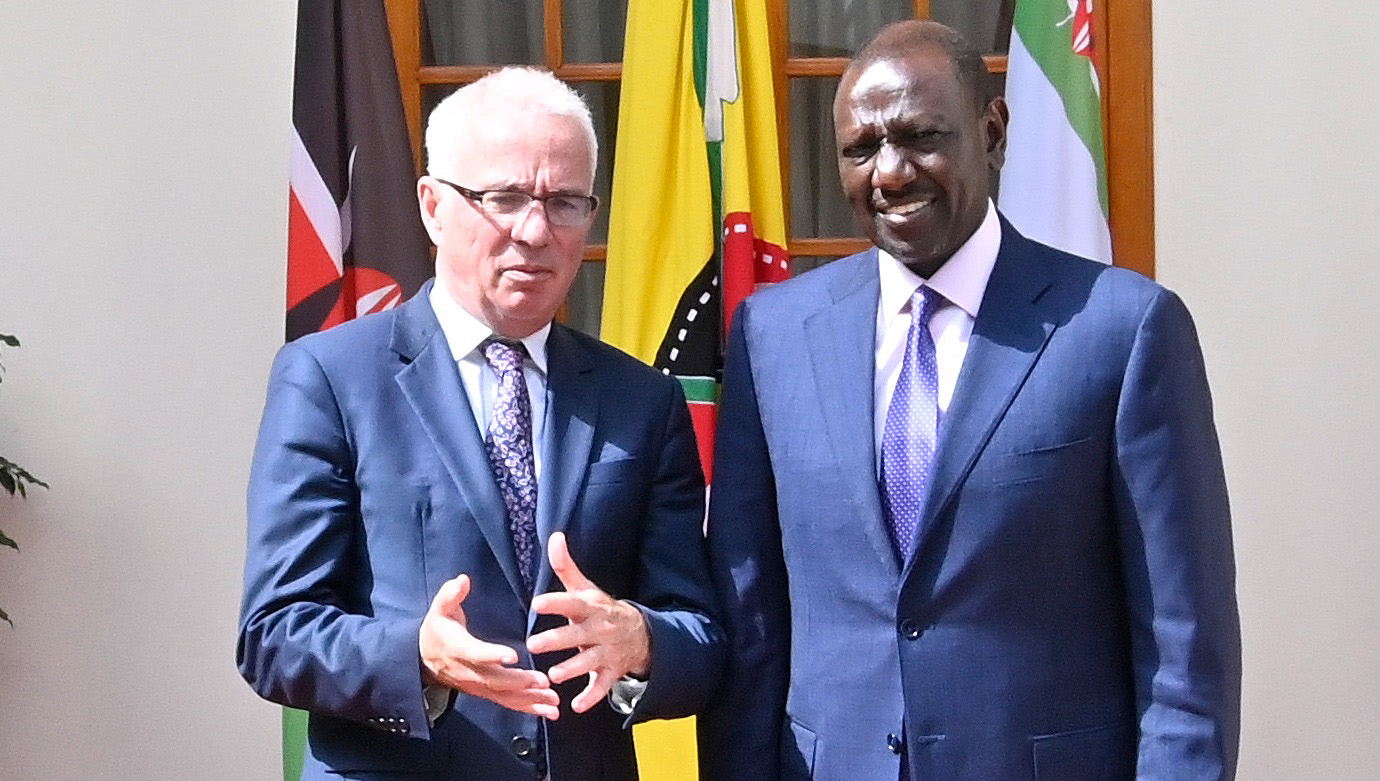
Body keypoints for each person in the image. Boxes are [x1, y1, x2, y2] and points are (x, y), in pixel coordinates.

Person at [698, 20, 1240, 781]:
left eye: (920, 137)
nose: (889, 172)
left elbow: (1184, 654)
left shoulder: (1120, 330)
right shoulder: (773, 335)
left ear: (993, 133)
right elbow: (752, 622)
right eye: (860, 149)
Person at [238, 67, 723, 780]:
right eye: (504, 198)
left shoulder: (640, 400)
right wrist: (418, 655)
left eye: (564, 203)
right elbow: (273, 634)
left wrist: (642, 639)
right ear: (433, 206)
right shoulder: (331, 379)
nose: (535, 230)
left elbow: (703, 635)